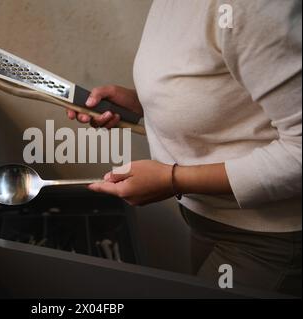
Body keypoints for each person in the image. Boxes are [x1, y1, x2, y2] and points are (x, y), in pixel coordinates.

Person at [66, 0, 302, 296]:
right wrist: (144, 105)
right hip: (205, 218)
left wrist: (174, 180)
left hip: (268, 237)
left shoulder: (250, 8)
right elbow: (224, 91)